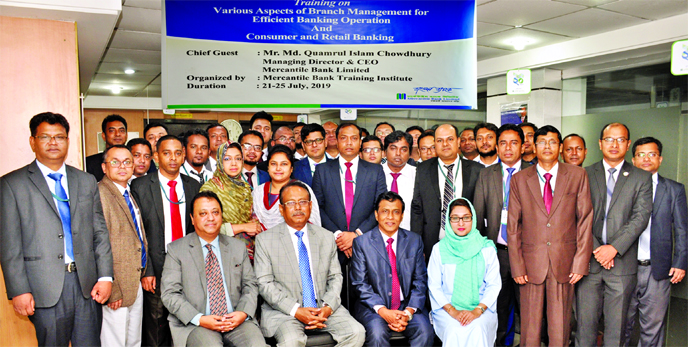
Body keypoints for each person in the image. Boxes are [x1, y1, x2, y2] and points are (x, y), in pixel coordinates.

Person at [0, 112, 113, 346]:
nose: (53, 142)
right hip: (43, 286)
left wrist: (105, 276)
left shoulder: (85, 181)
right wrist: (18, 289)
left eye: (60, 137)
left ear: (67, 141)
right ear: (33, 141)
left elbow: (99, 233)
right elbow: (9, 244)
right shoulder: (12, 184)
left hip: (86, 285)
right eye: (45, 137)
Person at [507, 125, 594, 346]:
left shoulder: (577, 175)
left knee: (560, 327)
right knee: (530, 328)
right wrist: (517, 266)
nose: (547, 146)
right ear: (534, 146)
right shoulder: (519, 179)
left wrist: (580, 263)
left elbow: (584, 220)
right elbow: (514, 226)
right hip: (530, 264)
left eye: (553, 142)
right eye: (542, 142)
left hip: (564, 262)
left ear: (561, 147)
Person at [254, 181, 366, 347]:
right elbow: (265, 284)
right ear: (281, 208)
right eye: (291, 203)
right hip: (284, 312)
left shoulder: (326, 237)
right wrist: (296, 310)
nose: (298, 207)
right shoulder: (265, 240)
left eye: (303, 202)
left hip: (323, 308)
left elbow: (335, 277)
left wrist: (327, 307)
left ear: (311, 206)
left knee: (356, 333)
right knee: (292, 341)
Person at [576, 123, 653, 347]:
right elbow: (577, 215)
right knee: (585, 326)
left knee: (616, 329)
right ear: (600, 143)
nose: (614, 144)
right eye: (609, 139)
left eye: (620, 140)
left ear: (628, 144)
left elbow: (640, 218)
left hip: (621, 265)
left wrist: (614, 248)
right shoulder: (584, 174)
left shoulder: (641, 177)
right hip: (588, 263)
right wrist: (597, 248)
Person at [160, 192, 265, 347]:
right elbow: (170, 294)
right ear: (192, 219)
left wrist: (242, 313)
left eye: (215, 212)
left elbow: (250, 285)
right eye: (203, 213)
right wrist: (199, 319)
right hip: (196, 324)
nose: (210, 218)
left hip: (237, 320)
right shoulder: (177, 250)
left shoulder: (237, 247)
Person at [130, 134, 201, 347]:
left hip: (187, 264)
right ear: (156, 156)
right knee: (156, 324)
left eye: (178, 153)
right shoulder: (141, 186)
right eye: (166, 153)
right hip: (156, 265)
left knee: (186, 320)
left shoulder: (193, 185)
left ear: (183, 156)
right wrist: (147, 270)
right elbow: (138, 234)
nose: (173, 158)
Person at [312, 123, 387, 308]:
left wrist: (356, 235)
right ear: (336, 140)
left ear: (360, 142)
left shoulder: (375, 170)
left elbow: (380, 207)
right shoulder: (322, 170)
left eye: (354, 138)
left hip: (365, 242)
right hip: (332, 243)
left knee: (364, 295)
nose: (349, 142)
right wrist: (339, 235)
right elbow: (316, 208)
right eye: (344, 137)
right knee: (333, 294)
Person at [622, 137, 687, 347]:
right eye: (641, 154)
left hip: (657, 269)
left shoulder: (674, 189)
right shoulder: (621, 188)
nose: (646, 159)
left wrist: (680, 262)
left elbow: (681, 229)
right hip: (624, 267)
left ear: (660, 159)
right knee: (620, 324)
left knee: (653, 327)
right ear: (633, 159)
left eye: (652, 154)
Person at [472, 123, 531, 346]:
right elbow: (478, 216)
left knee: (528, 310)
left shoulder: (533, 172)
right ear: (497, 146)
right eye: (503, 143)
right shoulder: (486, 175)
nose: (508, 148)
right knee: (498, 307)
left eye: (514, 143)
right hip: (496, 253)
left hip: (526, 254)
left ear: (523, 146)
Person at [350, 192, 433, 347]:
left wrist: (408, 312)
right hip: (373, 306)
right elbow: (359, 283)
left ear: (402, 216)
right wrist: (383, 311)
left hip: (406, 305)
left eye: (396, 212)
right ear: (376, 215)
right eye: (385, 211)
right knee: (377, 333)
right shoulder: (362, 243)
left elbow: (420, 281)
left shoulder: (414, 241)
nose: (390, 217)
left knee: (425, 331)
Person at [427, 198, 501, 347]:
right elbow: (434, 286)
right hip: (447, 309)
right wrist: (453, 311)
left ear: (473, 218)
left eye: (466, 218)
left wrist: (477, 311)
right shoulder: (439, 249)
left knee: (478, 329)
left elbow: (493, 285)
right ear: (448, 220)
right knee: (455, 330)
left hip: (482, 309)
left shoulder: (486, 248)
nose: (461, 223)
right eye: (455, 218)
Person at [98, 145, 149, 347]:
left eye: (127, 161)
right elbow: (100, 245)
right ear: (104, 167)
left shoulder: (127, 192)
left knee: (133, 341)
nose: (122, 166)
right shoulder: (101, 194)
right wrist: (113, 288)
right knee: (115, 342)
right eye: (115, 162)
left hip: (134, 279)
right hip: (116, 286)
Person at [411, 124, 483, 261]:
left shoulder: (477, 170)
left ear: (458, 141)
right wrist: (417, 245)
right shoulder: (423, 169)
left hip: (468, 244)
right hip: (432, 243)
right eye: (439, 140)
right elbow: (417, 209)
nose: (445, 144)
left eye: (450, 139)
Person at [200, 142, 262, 262]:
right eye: (227, 159)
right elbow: (205, 227)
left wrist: (255, 225)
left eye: (238, 158)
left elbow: (251, 217)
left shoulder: (245, 187)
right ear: (219, 161)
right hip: (220, 252)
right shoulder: (210, 189)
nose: (234, 163)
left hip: (247, 252)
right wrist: (243, 227)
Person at [253, 145, 321, 230]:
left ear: (291, 168)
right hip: (263, 241)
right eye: (273, 164)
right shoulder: (258, 192)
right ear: (268, 167)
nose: (278, 168)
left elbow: (314, 225)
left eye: (284, 164)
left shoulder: (302, 189)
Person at [381, 131, 416, 231]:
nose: (398, 153)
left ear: (410, 153)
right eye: (393, 148)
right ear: (385, 151)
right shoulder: (375, 174)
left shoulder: (418, 175)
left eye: (403, 149)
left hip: (410, 235)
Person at [86, 114, 128, 181]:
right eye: (112, 131)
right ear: (103, 136)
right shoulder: (89, 163)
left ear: (126, 135)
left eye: (121, 131)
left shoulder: (134, 160)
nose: (117, 134)